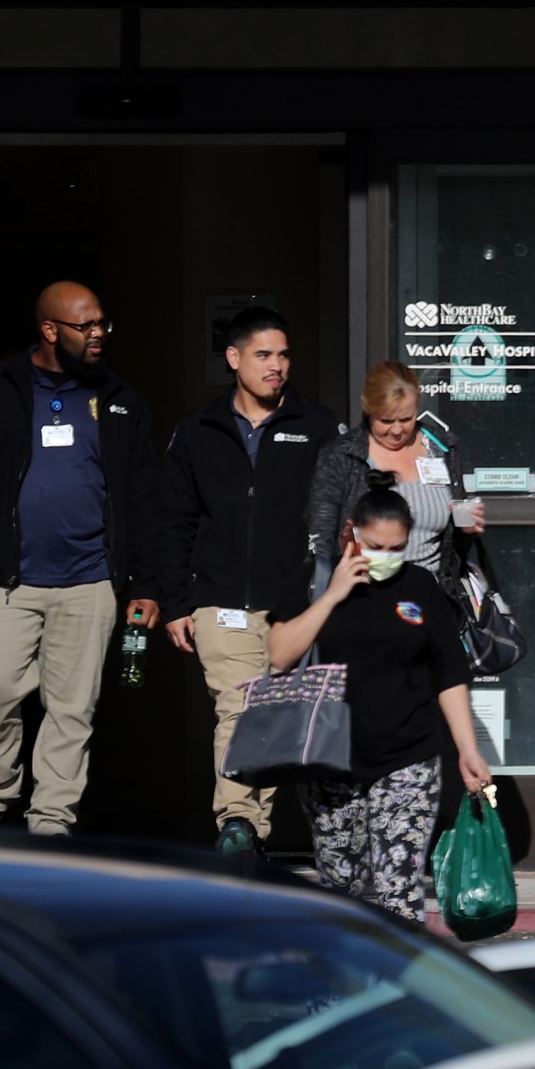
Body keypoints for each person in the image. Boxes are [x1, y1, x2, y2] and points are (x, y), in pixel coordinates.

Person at [0, 281, 163, 835]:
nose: (99, 334)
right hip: (8, 579)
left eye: (103, 323)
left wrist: (146, 583)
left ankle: (51, 821)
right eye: (86, 326)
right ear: (50, 330)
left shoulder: (123, 400)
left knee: (72, 710)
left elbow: (143, 501)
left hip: (89, 581)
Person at [159, 306, 340, 856]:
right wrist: (174, 601)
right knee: (238, 708)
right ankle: (238, 822)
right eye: (264, 355)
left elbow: (337, 515)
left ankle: (257, 831)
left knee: (283, 712)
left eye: (284, 355)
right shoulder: (198, 431)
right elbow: (173, 521)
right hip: (221, 602)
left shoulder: (318, 427)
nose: (276, 366)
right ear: (233, 359)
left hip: (297, 605)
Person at [267, 484, 490, 925]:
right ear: (350, 532)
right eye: (374, 546)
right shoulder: (315, 576)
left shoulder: (420, 586)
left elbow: (449, 675)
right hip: (330, 759)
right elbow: (279, 654)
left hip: (408, 755)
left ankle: (401, 990)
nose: (386, 557)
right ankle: (339, 989)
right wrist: (332, 595)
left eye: (396, 548)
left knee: (399, 890)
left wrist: (467, 749)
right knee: (341, 886)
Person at [302, 360, 485, 614]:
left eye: (406, 419)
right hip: (364, 601)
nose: (397, 430)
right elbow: (322, 538)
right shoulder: (342, 456)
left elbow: (453, 549)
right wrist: (325, 596)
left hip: (430, 601)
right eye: (386, 420)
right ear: (368, 410)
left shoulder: (441, 449)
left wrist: (467, 530)